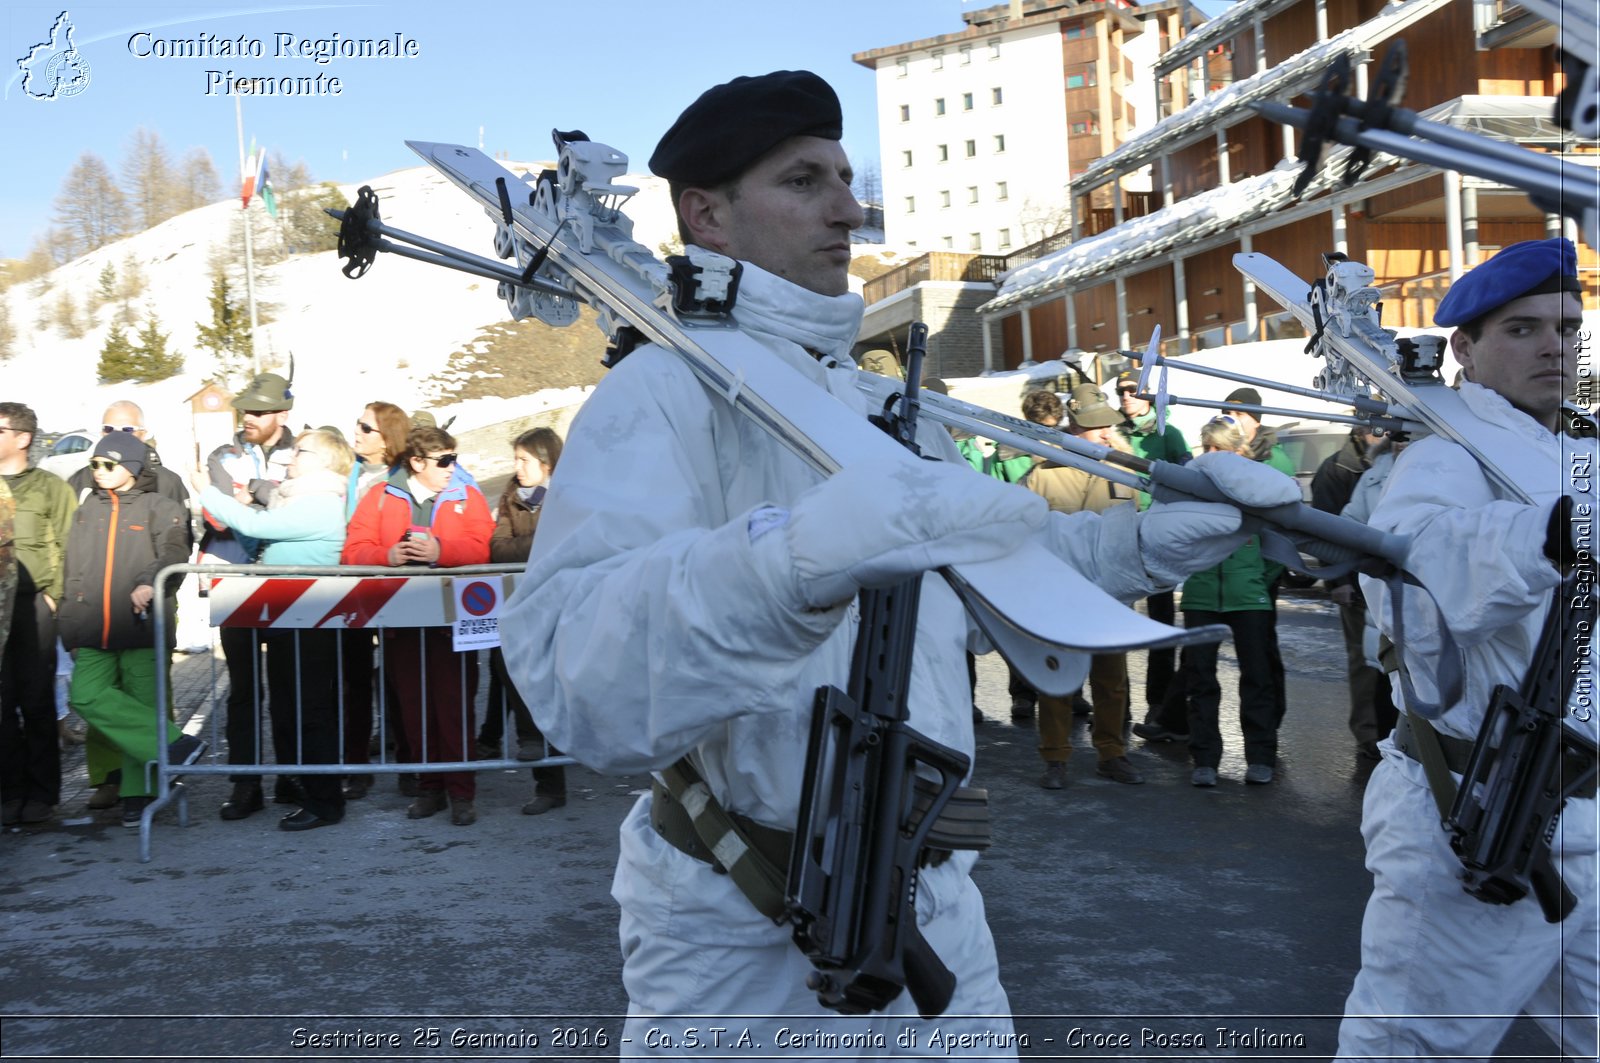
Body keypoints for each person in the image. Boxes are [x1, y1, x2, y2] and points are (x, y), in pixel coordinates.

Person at [496, 69, 1299, 1049]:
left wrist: (1138, 541)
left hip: (935, 902)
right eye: (803, 181)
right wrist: (794, 562)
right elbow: (582, 679)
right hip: (738, 933)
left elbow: (1004, 559)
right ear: (705, 215)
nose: (847, 207)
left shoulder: (882, 405)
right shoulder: (659, 396)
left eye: (844, 176)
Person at [1336, 238, 1597, 1059]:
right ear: (1466, 349)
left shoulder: (1584, 456)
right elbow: (1409, 578)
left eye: (1566, 326)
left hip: (1591, 823)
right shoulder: (1446, 460)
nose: (1553, 345)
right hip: (1484, 815)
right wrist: (1548, 534)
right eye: (1522, 329)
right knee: (1409, 1050)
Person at [197, 429, 353, 831]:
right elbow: (261, 538)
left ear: (323, 461)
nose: (292, 457)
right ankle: (302, 786)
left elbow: (256, 524)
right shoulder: (299, 499)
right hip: (289, 618)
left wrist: (210, 494)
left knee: (311, 711)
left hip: (310, 620)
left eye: (301, 451)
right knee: (290, 706)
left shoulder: (319, 503)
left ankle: (325, 802)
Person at [342, 425, 493, 826]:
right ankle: (430, 788)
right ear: (417, 462)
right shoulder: (379, 497)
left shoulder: (467, 495)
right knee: (413, 708)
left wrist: (441, 551)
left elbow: (483, 546)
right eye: (444, 461)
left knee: (455, 706)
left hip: (452, 622)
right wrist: (388, 555)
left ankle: (462, 793)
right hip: (401, 620)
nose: (451, 467)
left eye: (454, 458)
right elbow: (352, 551)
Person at [58, 437, 199, 826]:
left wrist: (148, 581)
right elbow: (72, 567)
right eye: (95, 465)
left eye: (108, 464)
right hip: (92, 628)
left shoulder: (161, 506)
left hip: (139, 625)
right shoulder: (85, 510)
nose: (98, 472)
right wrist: (67, 620)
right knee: (86, 696)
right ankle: (174, 744)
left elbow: (174, 553)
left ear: (134, 467)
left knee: (143, 703)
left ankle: (139, 793)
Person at [1018, 390, 1143, 788]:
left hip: (1109, 594)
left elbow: (1137, 532)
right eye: (1098, 426)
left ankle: (1112, 752)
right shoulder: (1042, 474)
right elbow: (1021, 532)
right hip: (1059, 594)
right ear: (1075, 428)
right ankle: (1055, 758)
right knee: (1055, 679)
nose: (1108, 432)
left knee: (1111, 680)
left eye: (1109, 424)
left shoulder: (1125, 474)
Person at [200, 373, 297, 820]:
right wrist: (263, 501)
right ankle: (245, 784)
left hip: (287, 583)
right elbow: (219, 516)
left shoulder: (303, 454)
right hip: (234, 579)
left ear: (283, 412)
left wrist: (251, 498)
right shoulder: (223, 454)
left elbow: (296, 508)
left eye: (259, 411)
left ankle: (293, 776)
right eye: (246, 410)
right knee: (242, 691)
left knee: (287, 686)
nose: (249, 418)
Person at [1178, 419, 1287, 787]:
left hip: (1248, 598)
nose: (1211, 456)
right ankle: (1204, 758)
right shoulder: (1189, 488)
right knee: (1200, 680)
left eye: (1219, 449)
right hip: (1201, 595)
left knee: (1257, 679)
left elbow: (1278, 544)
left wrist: (1256, 577)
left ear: (1238, 452)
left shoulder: (1256, 485)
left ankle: (1260, 756)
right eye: (1206, 448)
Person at [484, 427, 568, 815]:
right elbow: (498, 549)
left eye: (525, 460)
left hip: (563, 606)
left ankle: (558, 768)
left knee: (553, 685)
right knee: (510, 667)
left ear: (547, 463)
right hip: (520, 605)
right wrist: (539, 547)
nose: (517, 468)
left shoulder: (569, 494)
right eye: (515, 459)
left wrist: (536, 547)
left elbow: (566, 541)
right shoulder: (509, 495)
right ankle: (540, 763)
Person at [0, 402, 75, 826]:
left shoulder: (49, 487)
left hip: (32, 606)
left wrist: (54, 597)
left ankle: (43, 794)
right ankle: (9, 792)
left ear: (23, 438)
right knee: (1, 701)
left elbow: (69, 546)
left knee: (35, 699)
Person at [1311, 425, 1397, 762]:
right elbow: (1334, 528)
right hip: (1365, 584)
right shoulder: (1340, 469)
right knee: (1368, 663)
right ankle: (1370, 734)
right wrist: (1340, 581)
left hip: (1405, 588)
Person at [1116, 370, 1193, 740]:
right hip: (1119, 537)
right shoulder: (1113, 432)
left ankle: (1158, 706)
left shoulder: (1169, 435)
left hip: (1157, 540)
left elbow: (1186, 482)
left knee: (1160, 628)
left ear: (1148, 396)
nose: (1126, 396)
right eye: (1121, 391)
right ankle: (1116, 708)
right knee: (1113, 626)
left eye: (1133, 390)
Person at [342, 400, 410, 800]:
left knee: (401, 679)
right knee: (353, 682)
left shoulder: (404, 474)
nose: (357, 432)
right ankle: (356, 767)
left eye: (366, 428)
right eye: (358, 424)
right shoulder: (347, 471)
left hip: (393, 588)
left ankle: (408, 765)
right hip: (349, 587)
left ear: (386, 437)